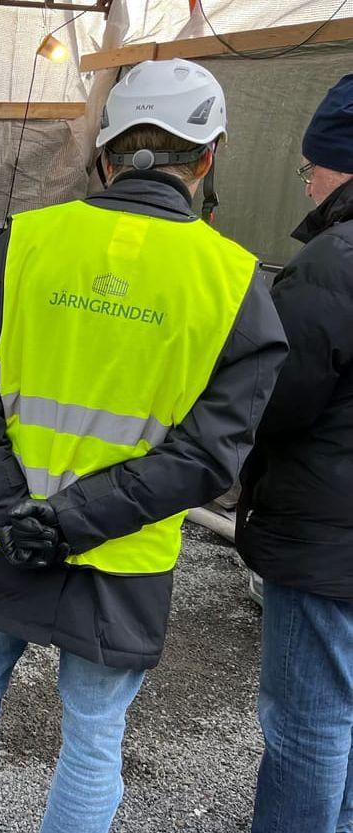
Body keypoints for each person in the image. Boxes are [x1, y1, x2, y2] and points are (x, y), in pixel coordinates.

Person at [0, 58, 289, 833]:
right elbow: (209, 454)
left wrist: (10, 506)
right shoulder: (234, 283)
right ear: (208, 157)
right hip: (119, 556)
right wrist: (74, 522)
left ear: (106, 150)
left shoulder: (25, 242)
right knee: (91, 737)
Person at [239, 72, 353, 833]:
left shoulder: (331, 261)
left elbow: (276, 400)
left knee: (308, 722)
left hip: (327, 533)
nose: (305, 181)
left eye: (309, 164)